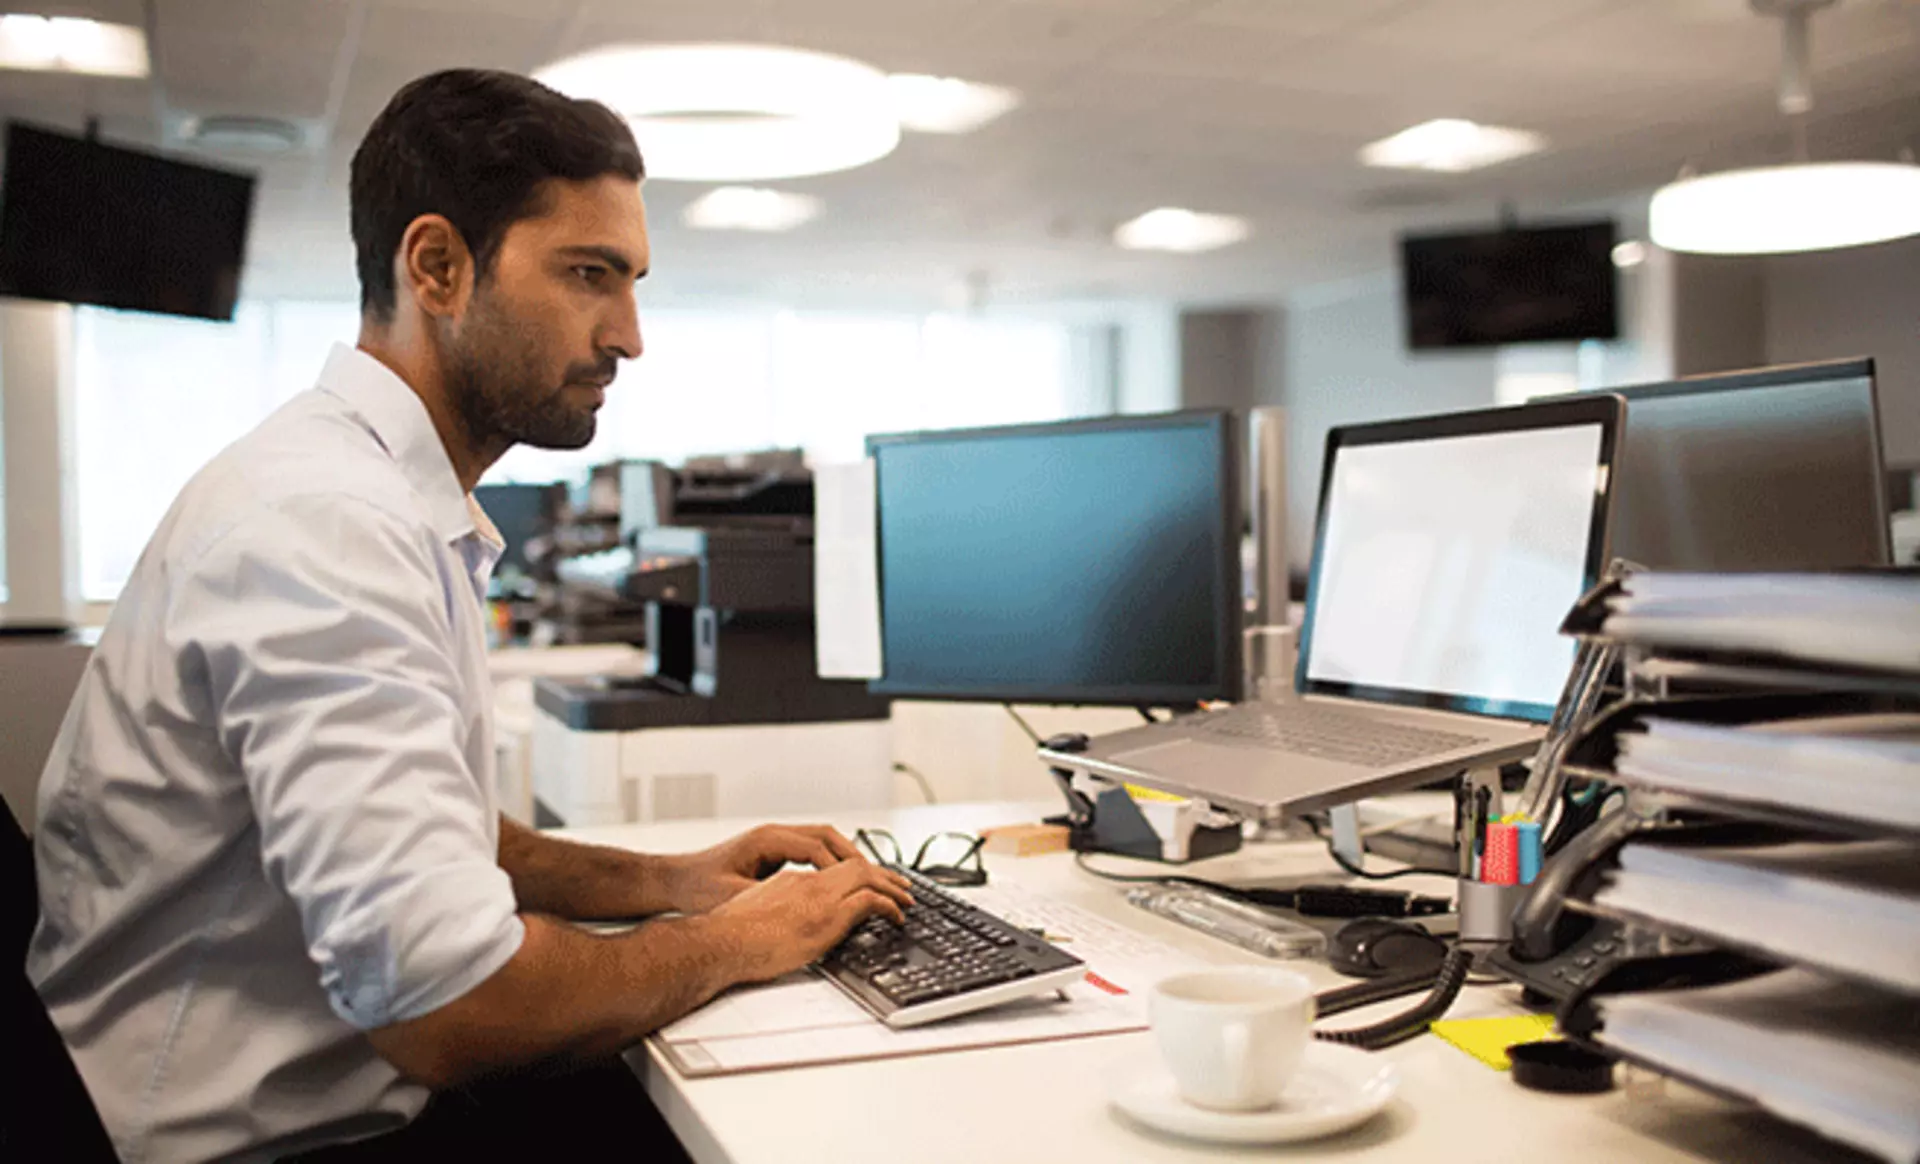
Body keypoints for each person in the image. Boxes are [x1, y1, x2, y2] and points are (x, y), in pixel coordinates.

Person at [27, 68, 913, 1163]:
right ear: (438, 267)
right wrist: (724, 942)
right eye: (589, 275)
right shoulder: (327, 525)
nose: (630, 336)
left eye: (632, 281)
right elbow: (451, 1001)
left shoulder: (375, 496)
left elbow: (438, 832)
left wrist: (667, 882)